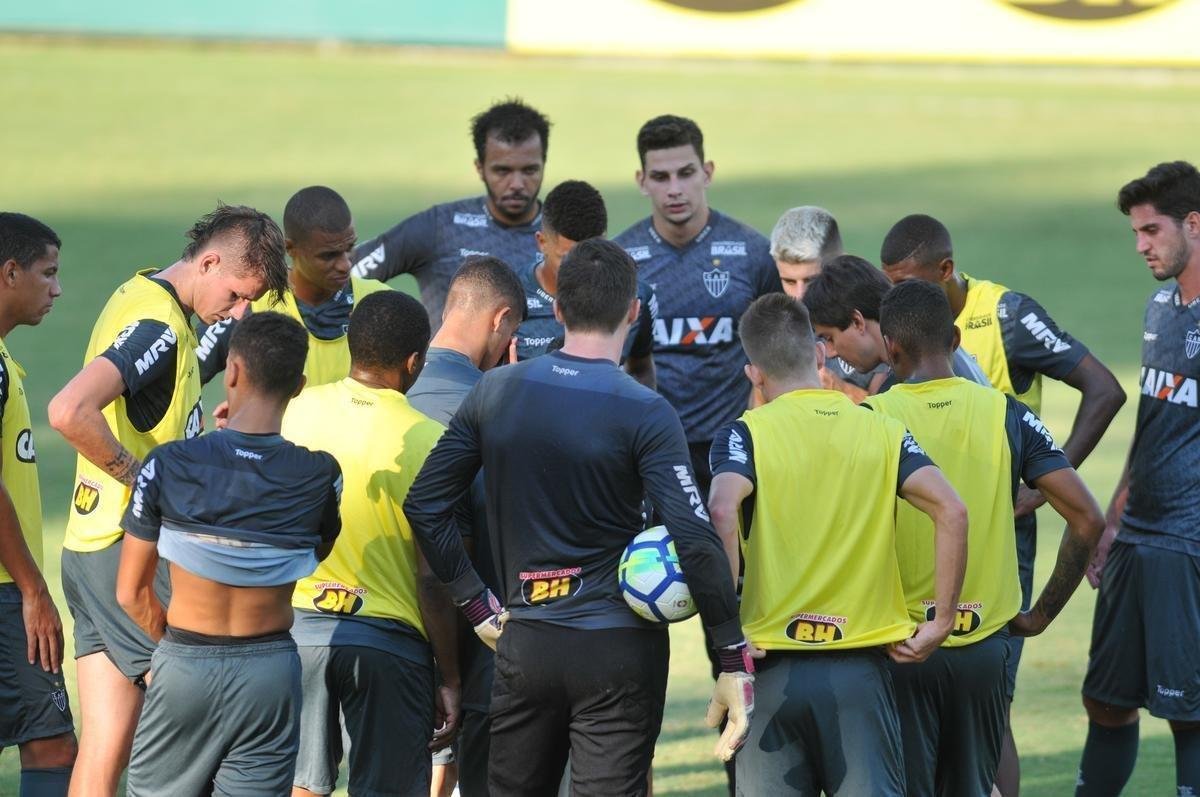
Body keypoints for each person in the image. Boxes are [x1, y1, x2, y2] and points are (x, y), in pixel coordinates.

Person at [404, 239, 754, 797]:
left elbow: (425, 504)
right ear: (634, 312)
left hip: (524, 644)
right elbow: (693, 536)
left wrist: (474, 601)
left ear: (558, 310)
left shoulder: (496, 390)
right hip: (618, 652)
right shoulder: (646, 410)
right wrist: (731, 654)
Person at [878, 213, 1125, 793]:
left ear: (888, 349)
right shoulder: (1009, 414)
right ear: (956, 340)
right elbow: (1087, 517)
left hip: (901, 641)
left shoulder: (873, 421)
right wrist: (1038, 615)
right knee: (986, 754)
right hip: (986, 629)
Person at [47, 204, 288, 795]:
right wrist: (142, 478)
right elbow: (68, 411)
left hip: (87, 550)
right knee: (204, 713)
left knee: (105, 747)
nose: (236, 311)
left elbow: (166, 381)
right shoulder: (158, 324)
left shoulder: (146, 295)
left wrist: (230, 331)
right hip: (123, 554)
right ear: (208, 261)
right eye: (234, 295)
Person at [706, 293, 968, 796]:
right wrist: (941, 621)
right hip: (861, 676)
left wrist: (730, 633)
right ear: (819, 356)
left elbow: (721, 509)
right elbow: (952, 511)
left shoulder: (744, 435)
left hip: (771, 673)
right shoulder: (882, 428)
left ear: (754, 374)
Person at [114, 311, 340, 796]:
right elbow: (312, 552)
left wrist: (175, 650)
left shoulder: (170, 464)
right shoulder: (321, 476)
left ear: (231, 371)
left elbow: (131, 593)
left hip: (186, 661)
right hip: (271, 674)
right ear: (298, 385)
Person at [282, 291, 460, 797]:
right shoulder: (430, 439)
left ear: (350, 347)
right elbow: (432, 578)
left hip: (296, 633)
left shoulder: (295, 410)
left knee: (299, 787)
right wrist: (449, 675)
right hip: (388, 645)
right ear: (414, 362)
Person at [1075, 161, 1200, 797]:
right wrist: (1114, 517)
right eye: (1135, 233)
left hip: (1188, 546)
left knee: (1190, 713)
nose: (1141, 245)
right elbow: (1152, 420)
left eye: (1151, 230)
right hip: (1137, 539)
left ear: (1194, 224)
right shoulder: (1161, 306)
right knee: (1107, 699)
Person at [613, 114, 781, 498]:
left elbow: (777, 357)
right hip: (647, 447)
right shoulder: (622, 259)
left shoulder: (752, 253)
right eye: (660, 177)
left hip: (731, 450)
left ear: (707, 172)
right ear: (642, 181)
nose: (675, 189)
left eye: (685, 173)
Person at [407, 256, 526, 797]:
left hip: (385, 647)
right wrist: (452, 674)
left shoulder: (391, 389)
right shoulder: (496, 412)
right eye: (513, 334)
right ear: (500, 321)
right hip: (473, 660)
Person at [353, 100, 550, 330]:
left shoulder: (566, 235)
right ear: (480, 168)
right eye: (502, 170)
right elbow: (342, 278)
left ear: (543, 164)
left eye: (529, 170)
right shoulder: (439, 227)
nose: (517, 184)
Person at [0, 213, 75, 795]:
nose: (56, 289)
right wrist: (33, 589)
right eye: (47, 274)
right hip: (5, 589)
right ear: (10, 272)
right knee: (50, 742)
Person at [196, 185, 390, 388]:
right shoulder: (248, 302)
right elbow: (185, 375)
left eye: (349, 248)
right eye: (328, 255)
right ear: (291, 248)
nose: (345, 265)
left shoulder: (380, 303)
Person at [514, 180, 656, 388]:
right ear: (542, 242)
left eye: (591, 256)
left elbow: (641, 368)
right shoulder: (510, 297)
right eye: (566, 258)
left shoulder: (635, 295)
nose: (580, 273)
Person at [802, 254, 991, 389]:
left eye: (829, 338)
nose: (830, 352)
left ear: (857, 321)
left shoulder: (916, 376)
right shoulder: (932, 351)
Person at [768, 205, 884, 399]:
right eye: (789, 281)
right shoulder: (776, 325)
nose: (800, 295)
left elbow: (893, 415)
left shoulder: (871, 309)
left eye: (812, 281)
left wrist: (841, 390)